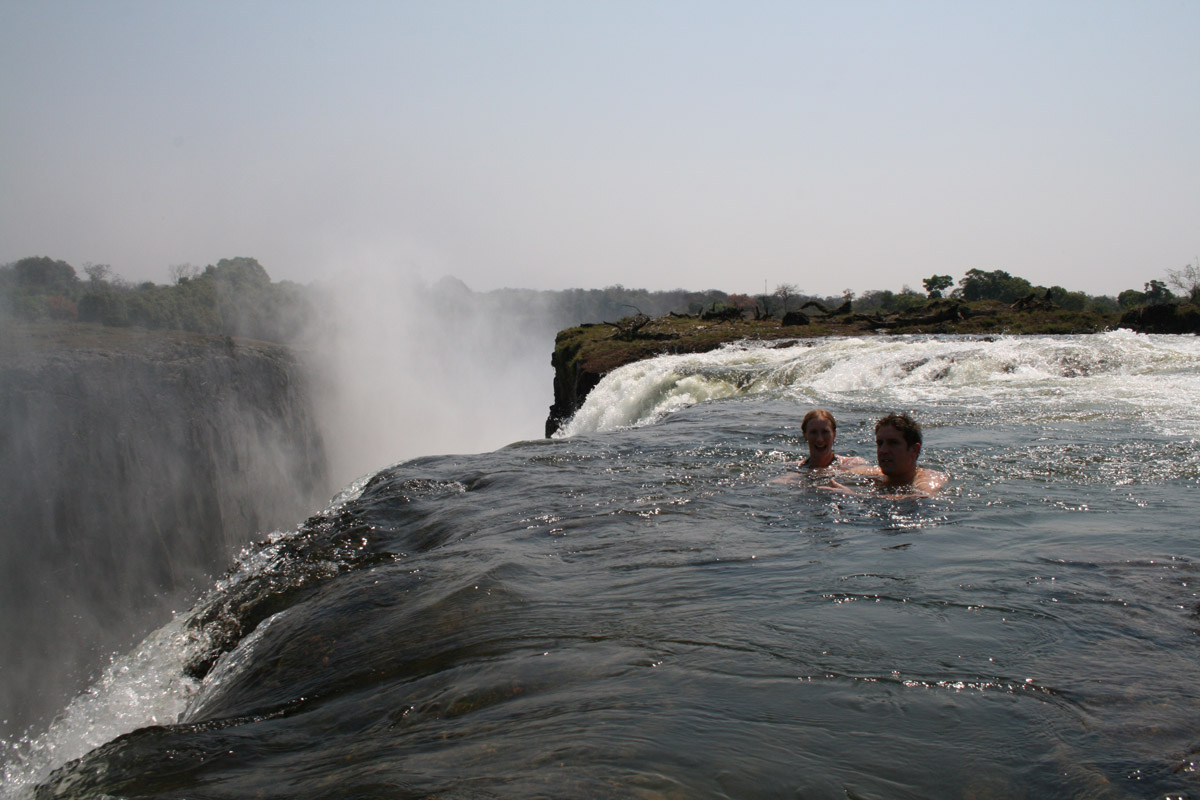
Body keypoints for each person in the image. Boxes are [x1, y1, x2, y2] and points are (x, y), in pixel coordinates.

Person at [819, 412, 947, 497]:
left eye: (893, 443)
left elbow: (920, 497)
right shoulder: (875, 474)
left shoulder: (927, 479)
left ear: (914, 450)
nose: (883, 450)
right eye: (880, 443)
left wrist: (854, 495)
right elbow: (823, 474)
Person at [773, 409, 867, 484]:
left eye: (825, 432)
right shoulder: (793, 469)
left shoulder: (854, 463)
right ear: (805, 435)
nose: (820, 439)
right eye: (813, 432)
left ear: (834, 434)